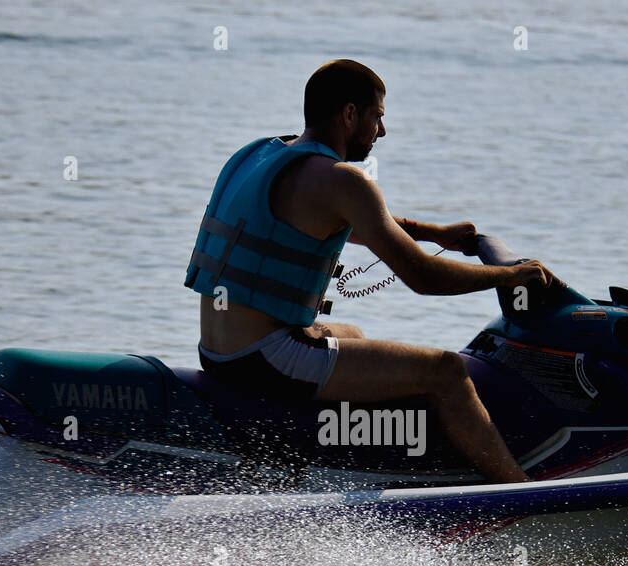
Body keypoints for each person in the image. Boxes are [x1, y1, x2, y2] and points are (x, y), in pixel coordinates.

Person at [187, 59, 549, 483]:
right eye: (378, 117)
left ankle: (361, 468)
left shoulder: (263, 154)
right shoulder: (342, 180)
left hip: (219, 351)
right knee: (446, 372)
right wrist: (511, 276)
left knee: (353, 335)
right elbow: (425, 278)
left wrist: (432, 233)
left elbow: (349, 220)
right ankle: (517, 492)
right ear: (349, 115)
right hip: (266, 358)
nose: (382, 131)